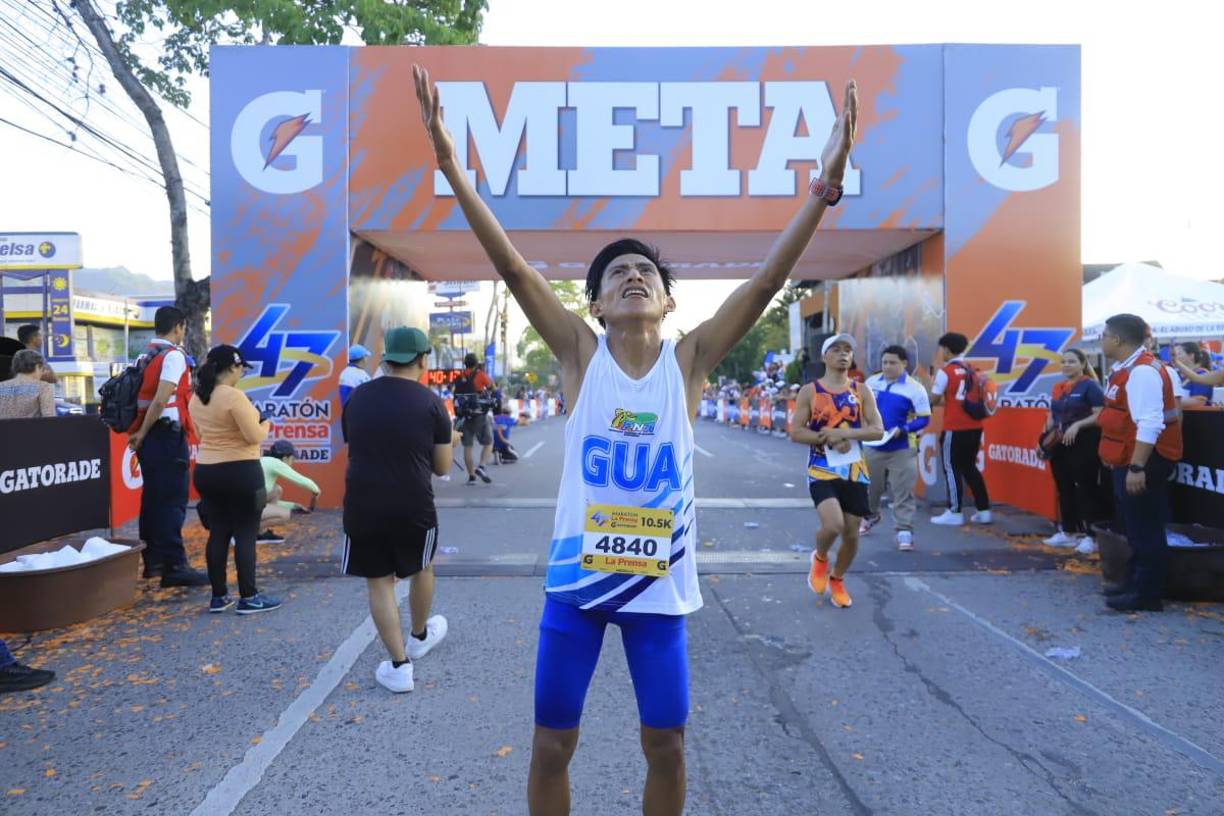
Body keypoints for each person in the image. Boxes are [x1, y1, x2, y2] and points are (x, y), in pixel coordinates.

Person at [415, 64, 857, 816]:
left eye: (644, 271)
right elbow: (513, 268)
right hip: (577, 590)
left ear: (668, 298)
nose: (631, 276)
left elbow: (760, 284)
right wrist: (453, 169)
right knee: (553, 745)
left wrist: (825, 184)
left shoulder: (688, 362)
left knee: (668, 745)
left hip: (657, 594)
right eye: (615, 272)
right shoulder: (579, 357)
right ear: (593, 301)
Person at [341, 326, 459, 693]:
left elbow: (355, 444)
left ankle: (398, 666)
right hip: (413, 503)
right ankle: (419, 636)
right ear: (422, 359)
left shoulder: (358, 397)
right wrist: (448, 438)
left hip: (362, 501)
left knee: (379, 581)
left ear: (387, 357)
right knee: (421, 566)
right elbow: (441, 467)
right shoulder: (431, 403)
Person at [789, 335, 884, 607]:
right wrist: (825, 437)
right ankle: (820, 558)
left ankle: (838, 579)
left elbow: (877, 429)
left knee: (852, 534)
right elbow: (796, 432)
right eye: (836, 349)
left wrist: (846, 433)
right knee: (833, 525)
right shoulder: (811, 391)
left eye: (848, 350)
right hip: (821, 469)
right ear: (825, 357)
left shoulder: (861, 390)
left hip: (855, 471)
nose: (843, 354)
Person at [1098, 314, 1183, 613]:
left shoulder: (1142, 372)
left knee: (1145, 529)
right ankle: (1134, 582)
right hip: (1131, 458)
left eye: (1104, 335)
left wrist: (1136, 468)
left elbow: (1149, 423)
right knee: (1135, 527)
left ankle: (1146, 594)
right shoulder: (1129, 368)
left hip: (1144, 461)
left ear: (1117, 340)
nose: (1101, 339)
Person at [189, 345, 281, 614]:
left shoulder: (197, 397)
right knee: (245, 533)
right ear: (232, 368)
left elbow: (199, 433)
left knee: (218, 532)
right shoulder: (235, 397)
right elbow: (254, 436)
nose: (242, 372)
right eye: (241, 368)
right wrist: (266, 424)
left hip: (207, 471)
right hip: (241, 470)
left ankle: (218, 597)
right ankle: (249, 597)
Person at [127, 306, 208, 587]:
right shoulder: (172, 356)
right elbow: (161, 400)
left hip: (151, 439)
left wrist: (139, 432)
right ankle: (175, 566)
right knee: (172, 503)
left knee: (152, 501)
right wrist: (143, 431)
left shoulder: (145, 354)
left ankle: (154, 563)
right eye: (183, 328)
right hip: (165, 436)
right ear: (179, 327)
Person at [862, 345, 931, 550]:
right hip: (873, 445)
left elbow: (924, 418)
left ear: (904, 364)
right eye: (885, 362)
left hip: (902, 446)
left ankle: (904, 531)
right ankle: (870, 515)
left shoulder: (915, 388)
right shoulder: (871, 383)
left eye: (893, 363)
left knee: (903, 490)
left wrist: (905, 428)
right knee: (872, 488)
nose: (888, 366)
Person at [1042, 349, 1107, 553]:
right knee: (1064, 487)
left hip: (1085, 442)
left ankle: (1092, 536)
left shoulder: (1091, 386)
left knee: (1086, 487)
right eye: (1063, 362)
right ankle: (1068, 533)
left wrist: (1078, 425)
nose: (1066, 365)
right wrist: (1042, 440)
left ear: (1082, 364)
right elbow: (1051, 417)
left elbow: (1100, 415)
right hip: (1060, 443)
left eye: (1071, 361)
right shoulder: (1058, 387)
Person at [927, 332, 992, 526]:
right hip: (975, 426)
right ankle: (984, 510)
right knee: (970, 467)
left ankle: (954, 511)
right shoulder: (973, 369)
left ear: (946, 349)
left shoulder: (945, 371)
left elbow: (935, 399)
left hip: (954, 427)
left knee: (951, 468)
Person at [259, 439, 321, 541]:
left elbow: (265, 504)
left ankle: (260, 532)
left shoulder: (266, 460)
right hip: (246, 510)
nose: (293, 462)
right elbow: (300, 480)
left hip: (244, 505)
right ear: (285, 458)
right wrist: (316, 490)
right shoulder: (275, 463)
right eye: (292, 458)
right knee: (284, 515)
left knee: (276, 490)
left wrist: (293, 505)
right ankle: (253, 533)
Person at [454, 351, 495, 485]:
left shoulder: (460, 377)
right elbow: (492, 387)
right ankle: (482, 466)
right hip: (478, 415)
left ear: (465, 364)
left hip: (464, 416)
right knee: (488, 442)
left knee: (467, 447)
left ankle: (471, 476)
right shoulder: (480, 375)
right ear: (476, 364)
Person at [0, 349, 56, 419]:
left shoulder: (1, 386)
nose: (42, 373)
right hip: (32, 429)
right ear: (38, 366)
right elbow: (49, 419)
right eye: (42, 369)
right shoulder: (43, 387)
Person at [1171, 342, 1214, 407]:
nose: (1174, 358)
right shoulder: (1179, 375)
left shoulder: (1202, 374)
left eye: (1179, 353)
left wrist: (1169, 402)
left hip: (1199, 416)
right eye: (1174, 355)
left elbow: (1200, 401)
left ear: (1191, 355)